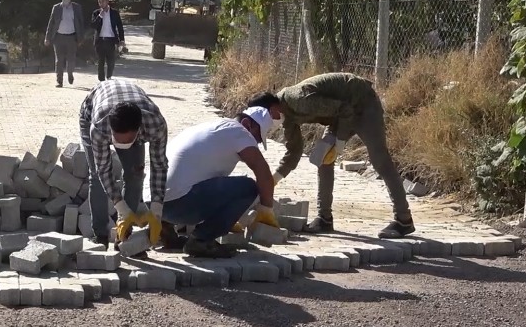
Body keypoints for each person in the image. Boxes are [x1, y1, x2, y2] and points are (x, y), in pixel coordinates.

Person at [248, 72, 415, 239]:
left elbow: (346, 109)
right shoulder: (286, 117)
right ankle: (324, 218)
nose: (268, 125)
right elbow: (294, 151)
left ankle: (403, 220)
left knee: (380, 161)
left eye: (265, 119)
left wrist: (340, 142)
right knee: (323, 158)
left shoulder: (299, 100)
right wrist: (273, 180)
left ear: (272, 109)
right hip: (340, 116)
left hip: (362, 104)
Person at [162, 108, 280, 258]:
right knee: (248, 188)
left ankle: (165, 231)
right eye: (256, 138)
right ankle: (201, 241)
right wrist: (266, 209)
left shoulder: (208, 128)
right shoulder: (239, 132)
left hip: (154, 204)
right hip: (178, 205)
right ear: (247, 124)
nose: (256, 144)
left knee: (186, 179)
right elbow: (263, 172)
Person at [79, 79, 168, 252]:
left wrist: (156, 211)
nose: (120, 144)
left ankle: (125, 237)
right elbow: (104, 170)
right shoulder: (99, 127)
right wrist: (122, 209)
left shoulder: (155, 125)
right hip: (90, 111)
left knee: (135, 175)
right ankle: (100, 236)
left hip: (136, 116)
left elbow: (159, 166)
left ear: (138, 131)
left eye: (127, 140)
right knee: (96, 177)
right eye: (117, 139)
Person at [44, 0, 85, 88]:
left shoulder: (76, 7)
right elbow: (51, 23)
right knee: (59, 60)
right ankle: (59, 81)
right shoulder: (56, 8)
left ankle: (70, 73)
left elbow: (81, 23)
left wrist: (80, 38)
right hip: (58, 37)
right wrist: (47, 38)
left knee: (71, 59)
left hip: (72, 37)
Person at [90, 0, 125, 82]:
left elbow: (120, 27)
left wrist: (122, 40)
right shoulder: (96, 13)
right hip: (100, 40)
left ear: (107, 1)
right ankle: (101, 80)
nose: (101, 4)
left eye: (103, 1)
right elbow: (93, 26)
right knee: (100, 61)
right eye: (99, 2)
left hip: (111, 40)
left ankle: (109, 77)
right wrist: (100, 16)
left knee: (111, 61)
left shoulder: (114, 13)